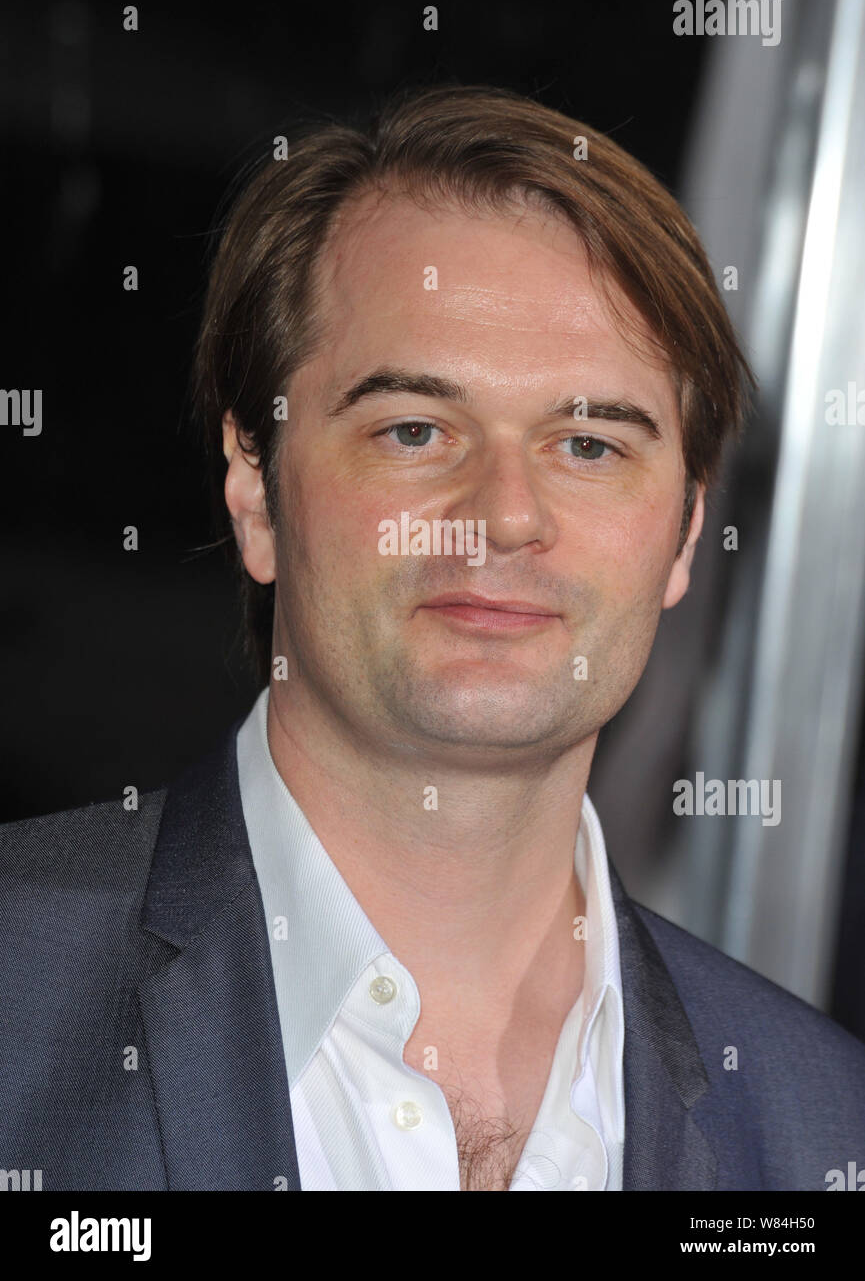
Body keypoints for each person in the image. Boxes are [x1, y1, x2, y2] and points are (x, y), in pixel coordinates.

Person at [2, 84, 864, 1193]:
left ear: (686, 530)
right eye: (415, 429)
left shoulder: (823, 1133)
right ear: (257, 490)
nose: (503, 512)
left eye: (590, 443)